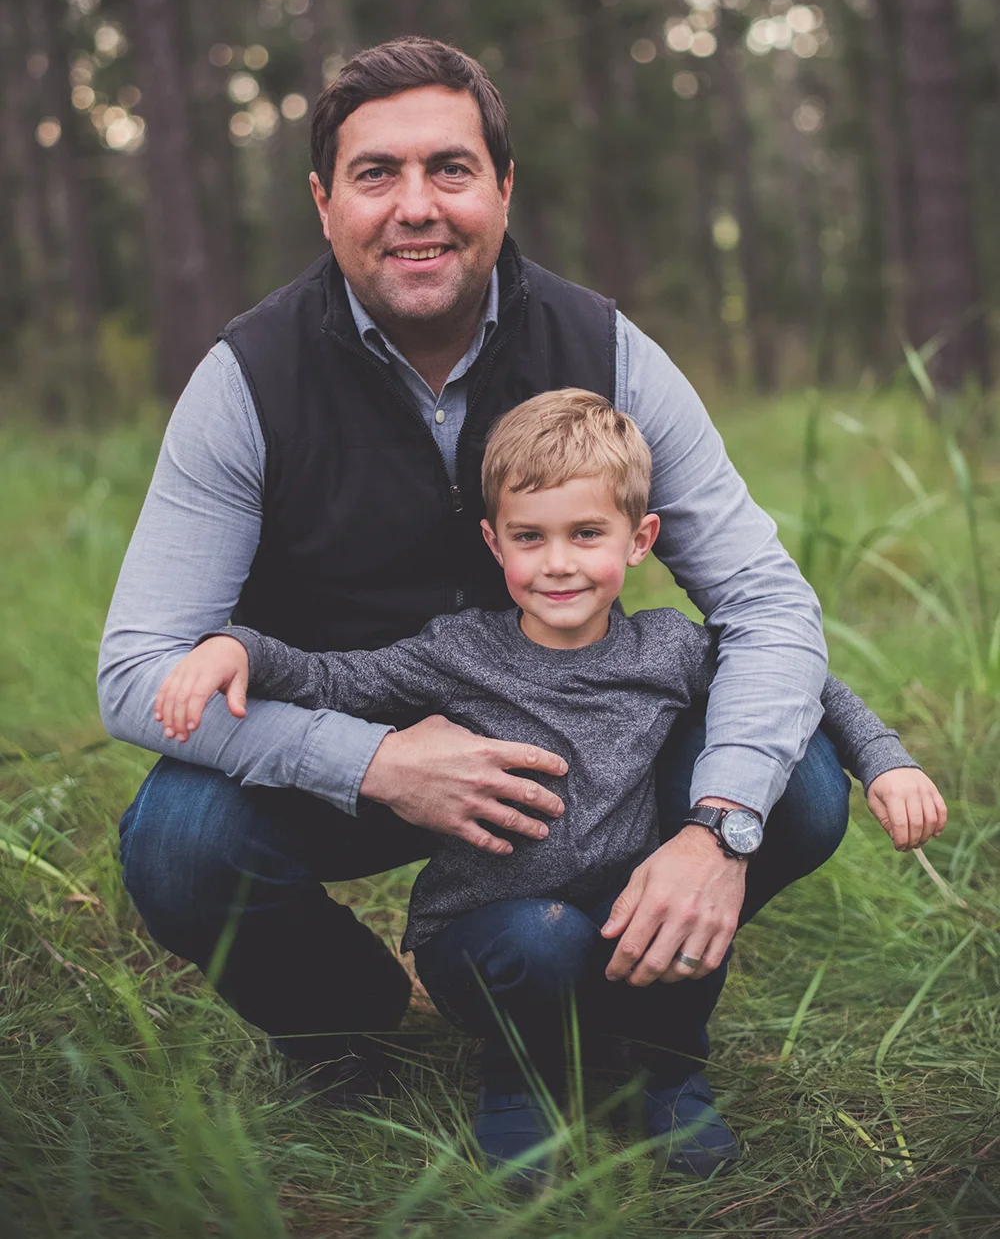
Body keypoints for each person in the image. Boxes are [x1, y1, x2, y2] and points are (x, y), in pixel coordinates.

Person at [100, 36, 859, 1163]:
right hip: (345, 742)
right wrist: (372, 761)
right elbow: (135, 673)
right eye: (376, 173)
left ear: (504, 188)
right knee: (179, 841)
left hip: (586, 758)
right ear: (323, 203)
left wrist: (718, 826)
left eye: (450, 169)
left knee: (794, 784)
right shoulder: (247, 380)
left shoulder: (609, 351)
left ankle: (630, 1017)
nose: (416, 205)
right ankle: (349, 1019)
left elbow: (766, 603)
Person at [153, 390, 945, 1182]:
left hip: (624, 913)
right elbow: (338, 679)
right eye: (530, 537)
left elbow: (804, 681)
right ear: (494, 543)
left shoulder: (667, 648)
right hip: (486, 937)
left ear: (640, 540)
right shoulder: (459, 651)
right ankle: (519, 1081)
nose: (558, 562)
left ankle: (667, 1070)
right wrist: (241, 649)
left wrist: (886, 759)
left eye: (586, 534)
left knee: (683, 908)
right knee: (542, 937)